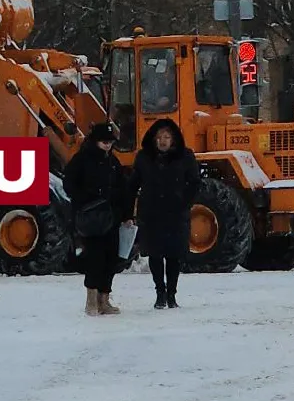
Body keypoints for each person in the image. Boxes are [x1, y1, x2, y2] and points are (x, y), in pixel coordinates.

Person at [129, 118, 201, 309]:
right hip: (151, 214)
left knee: (174, 255)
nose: (163, 141)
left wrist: (183, 201)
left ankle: (172, 294)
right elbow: (132, 184)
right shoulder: (144, 157)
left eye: (167, 137)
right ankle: (159, 292)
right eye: (159, 137)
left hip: (176, 214)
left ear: (174, 139)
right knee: (155, 254)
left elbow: (194, 183)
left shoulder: (185, 156)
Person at [63, 122, 133, 316]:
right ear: (95, 141)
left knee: (111, 259)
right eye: (104, 142)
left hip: (111, 217)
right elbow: (69, 183)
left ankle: (104, 299)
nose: (108, 145)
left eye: (110, 142)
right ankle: (91, 300)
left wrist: (127, 215)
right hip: (91, 218)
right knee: (95, 258)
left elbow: (123, 190)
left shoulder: (113, 162)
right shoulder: (82, 160)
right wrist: (86, 200)